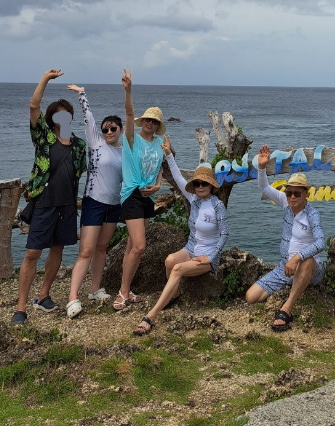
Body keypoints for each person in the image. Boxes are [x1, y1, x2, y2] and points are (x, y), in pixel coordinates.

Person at [11, 69, 87, 326]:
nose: (63, 116)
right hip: (44, 203)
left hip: (67, 205)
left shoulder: (78, 145)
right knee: (32, 253)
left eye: (67, 113)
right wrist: (45, 78)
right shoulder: (42, 137)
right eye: (59, 113)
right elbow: (33, 105)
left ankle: (43, 296)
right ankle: (21, 308)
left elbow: (83, 171)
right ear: (52, 117)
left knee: (57, 249)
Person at [132, 140, 229, 336]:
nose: (200, 186)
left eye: (204, 183)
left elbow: (225, 234)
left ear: (211, 186)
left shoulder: (217, 206)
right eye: (197, 183)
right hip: (192, 247)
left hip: (208, 255)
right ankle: (174, 294)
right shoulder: (193, 198)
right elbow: (176, 177)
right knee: (169, 260)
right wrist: (168, 154)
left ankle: (151, 316)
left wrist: (210, 257)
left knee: (176, 269)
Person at [64, 70, 132, 317]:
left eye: (113, 128)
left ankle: (94, 289)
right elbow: (88, 118)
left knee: (102, 247)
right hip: (93, 202)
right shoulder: (96, 143)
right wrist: (82, 95)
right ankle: (73, 297)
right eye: (105, 128)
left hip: (113, 205)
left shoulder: (124, 151)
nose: (108, 131)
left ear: (120, 129)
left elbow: (131, 176)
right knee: (86, 250)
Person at [245, 145, 325, 331]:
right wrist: (262, 167)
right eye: (289, 192)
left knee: (307, 261)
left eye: (297, 193)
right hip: (285, 268)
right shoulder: (285, 204)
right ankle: (292, 284)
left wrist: (297, 257)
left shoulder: (312, 214)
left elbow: (321, 242)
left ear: (306, 194)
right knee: (251, 297)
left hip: (310, 269)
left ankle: (287, 308)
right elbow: (264, 187)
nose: (292, 196)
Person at [113, 102, 165, 310]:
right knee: (140, 246)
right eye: (147, 119)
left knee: (131, 247)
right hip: (132, 194)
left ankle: (126, 290)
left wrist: (158, 185)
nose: (150, 123)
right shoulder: (132, 139)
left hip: (148, 197)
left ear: (158, 124)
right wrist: (128, 90)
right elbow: (128, 112)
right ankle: (123, 292)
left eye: (154, 121)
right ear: (142, 121)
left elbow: (159, 166)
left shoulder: (159, 142)